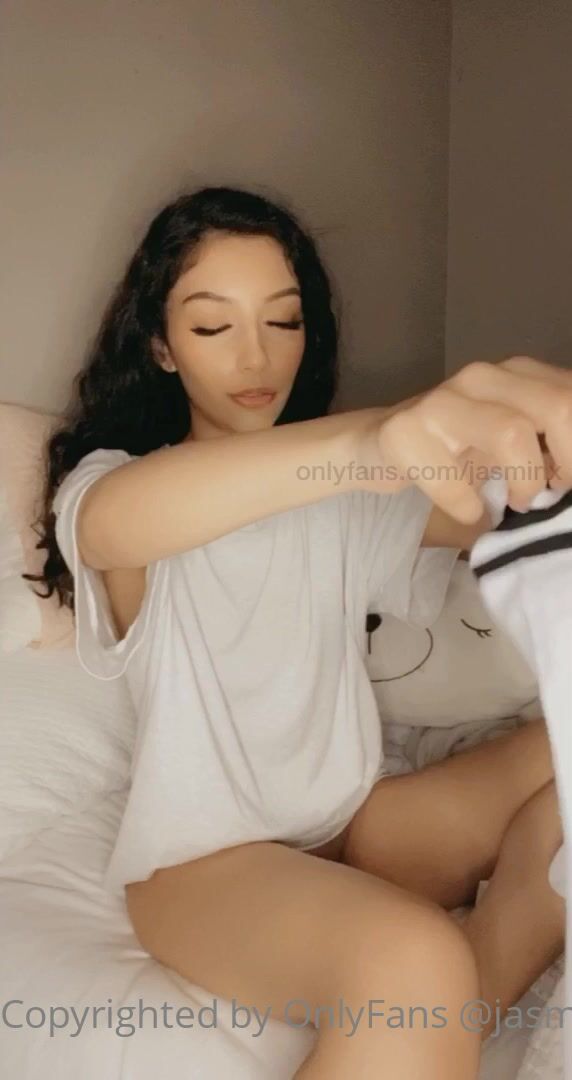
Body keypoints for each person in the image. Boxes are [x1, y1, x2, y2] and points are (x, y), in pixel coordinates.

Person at [28, 185, 568, 1078]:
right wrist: (371, 441)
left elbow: (494, 507)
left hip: (361, 824)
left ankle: (463, 984)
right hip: (205, 866)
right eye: (213, 326)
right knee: (415, 962)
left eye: (283, 321)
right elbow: (115, 526)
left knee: (566, 783)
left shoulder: (342, 500)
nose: (256, 356)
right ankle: (477, 968)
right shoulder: (114, 484)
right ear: (160, 345)